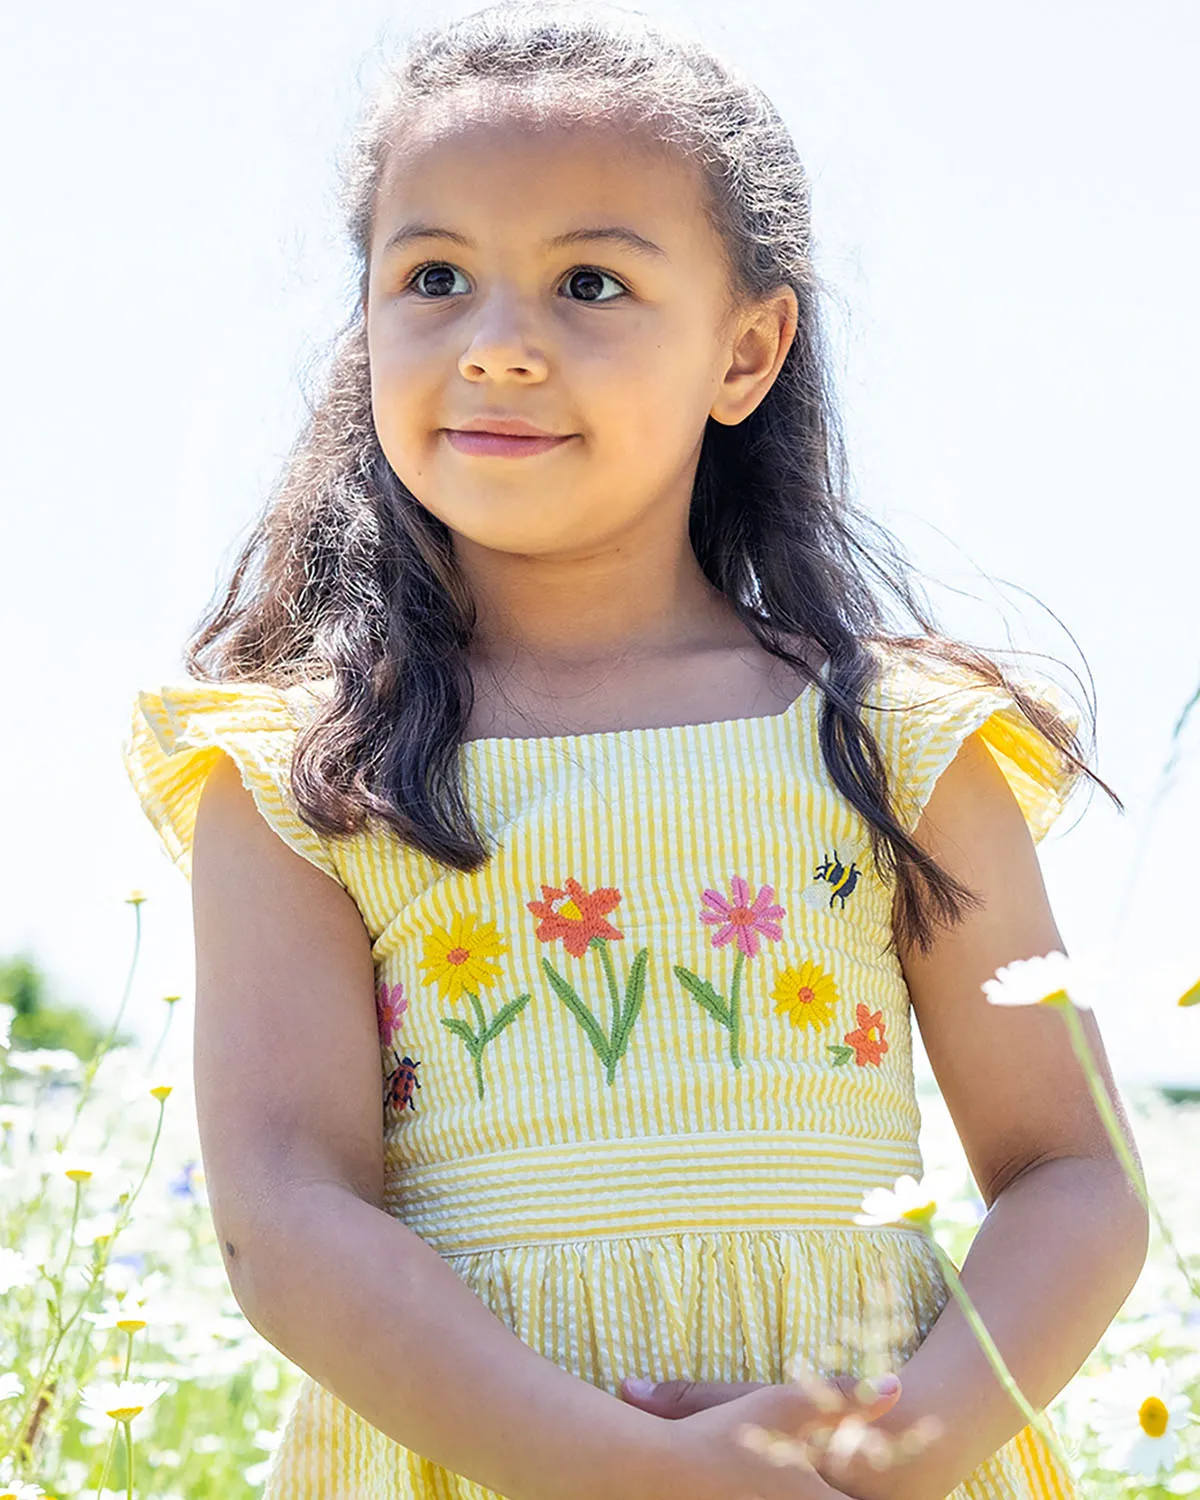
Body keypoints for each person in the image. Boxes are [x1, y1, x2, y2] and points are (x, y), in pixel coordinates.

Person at [121, 3, 1148, 1497]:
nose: (500, 346)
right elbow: (286, 1209)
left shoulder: (898, 740)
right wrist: (632, 1475)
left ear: (746, 351)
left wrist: (891, 1453)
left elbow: (1072, 1171)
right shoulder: (300, 768)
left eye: (588, 282)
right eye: (433, 278)